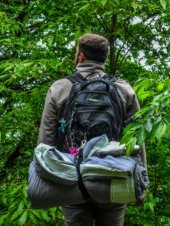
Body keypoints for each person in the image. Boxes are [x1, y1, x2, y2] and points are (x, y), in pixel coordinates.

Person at [37, 33, 147, 226]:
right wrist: (141, 185)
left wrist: (44, 185)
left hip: (72, 179)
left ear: (80, 56)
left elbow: (45, 142)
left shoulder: (60, 88)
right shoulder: (124, 90)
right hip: (115, 179)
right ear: (104, 58)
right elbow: (137, 141)